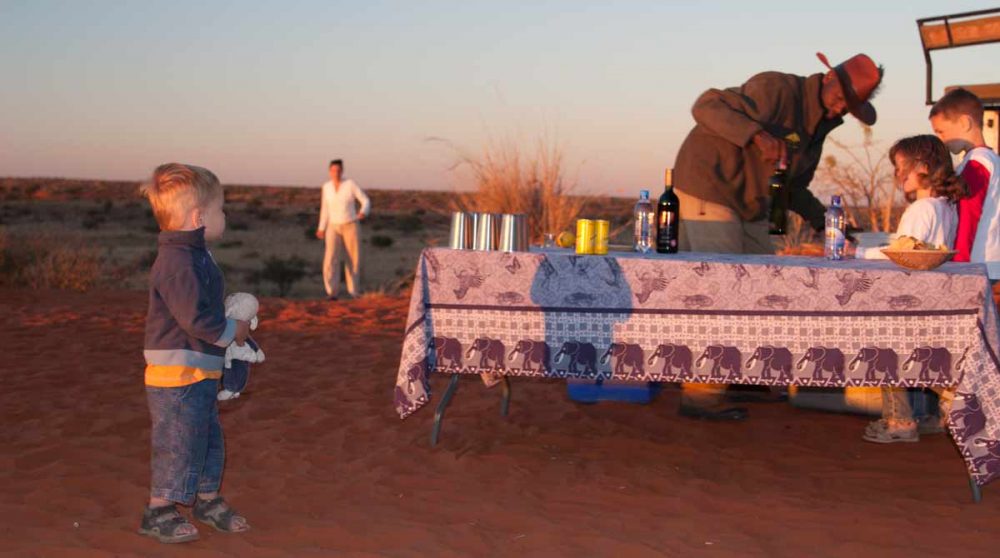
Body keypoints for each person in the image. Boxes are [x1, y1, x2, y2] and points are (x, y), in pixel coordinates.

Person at [673, 52, 884, 420]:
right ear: (828, 77)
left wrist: (827, 222)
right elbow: (705, 106)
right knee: (723, 289)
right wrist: (757, 135)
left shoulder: (818, 130)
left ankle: (738, 376)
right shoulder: (777, 88)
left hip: (752, 205)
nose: (839, 109)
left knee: (762, 287)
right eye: (840, 98)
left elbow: (793, 188)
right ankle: (700, 395)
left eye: (848, 107)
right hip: (711, 184)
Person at [138, 163, 251, 543]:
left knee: (206, 440)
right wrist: (233, 331)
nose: (225, 215)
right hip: (177, 376)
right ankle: (158, 510)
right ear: (198, 217)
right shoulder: (178, 263)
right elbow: (196, 319)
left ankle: (207, 499)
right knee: (178, 443)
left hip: (198, 371)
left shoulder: (195, 255)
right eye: (221, 209)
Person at [859, 136, 965, 443]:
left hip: (910, 299)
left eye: (901, 166)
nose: (898, 174)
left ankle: (900, 420)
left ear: (923, 167)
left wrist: (856, 253)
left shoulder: (922, 208)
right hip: (932, 298)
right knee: (918, 358)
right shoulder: (946, 207)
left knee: (885, 350)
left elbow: (903, 252)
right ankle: (945, 406)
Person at [929, 88, 1000, 277]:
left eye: (941, 132)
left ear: (964, 122)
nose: (941, 140)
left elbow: (968, 217)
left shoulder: (977, 163)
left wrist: (958, 267)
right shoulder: (992, 160)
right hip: (991, 265)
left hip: (976, 267)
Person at [315, 159, 371, 301]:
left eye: (339, 170)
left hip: (350, 224)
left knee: (353, 258)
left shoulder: (350, 184)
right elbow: (325, 209)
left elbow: (365, 200)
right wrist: (321, 227)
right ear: (329, 171)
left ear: (342, 171)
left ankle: (353, 291)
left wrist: (363, 211)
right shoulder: (326, 187)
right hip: (332, 226)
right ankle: (332, 292)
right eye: (333, 170)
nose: (336, 173)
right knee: (330, 258)